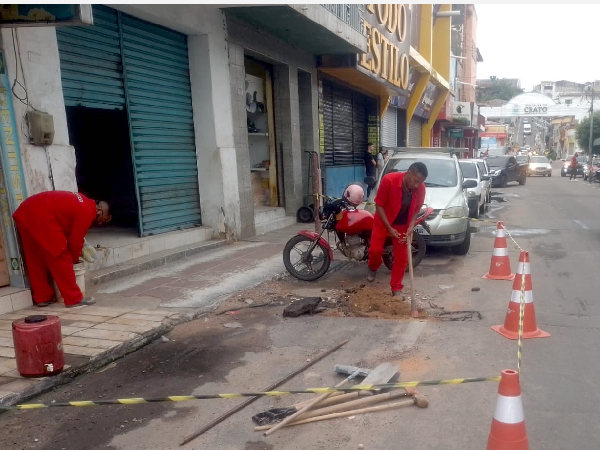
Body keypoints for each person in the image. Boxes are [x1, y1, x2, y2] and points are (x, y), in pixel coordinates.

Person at [13, 191, 112, 308]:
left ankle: (42, 297)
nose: (100, 222)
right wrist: (74, 260)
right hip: (41, 215)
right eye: (104, 219)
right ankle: (73, 298)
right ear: (100, 210)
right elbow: (76, 241)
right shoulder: (87, 212)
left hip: (25, 212)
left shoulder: (83, 201)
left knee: (35, 258)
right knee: (61, 255)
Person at [367, 162, 427, 296]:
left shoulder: (421, 188)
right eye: (416, 181)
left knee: (402, 258)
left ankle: (396, 287)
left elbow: (417, 209)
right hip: (384, 221)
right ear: (409, 173)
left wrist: (411, 225)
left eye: (420, 182)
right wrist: (388, 227)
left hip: (402, 224)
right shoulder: (389, 180)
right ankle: (373, 266)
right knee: (375, 250)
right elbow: (379, 205)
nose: (417, 185)